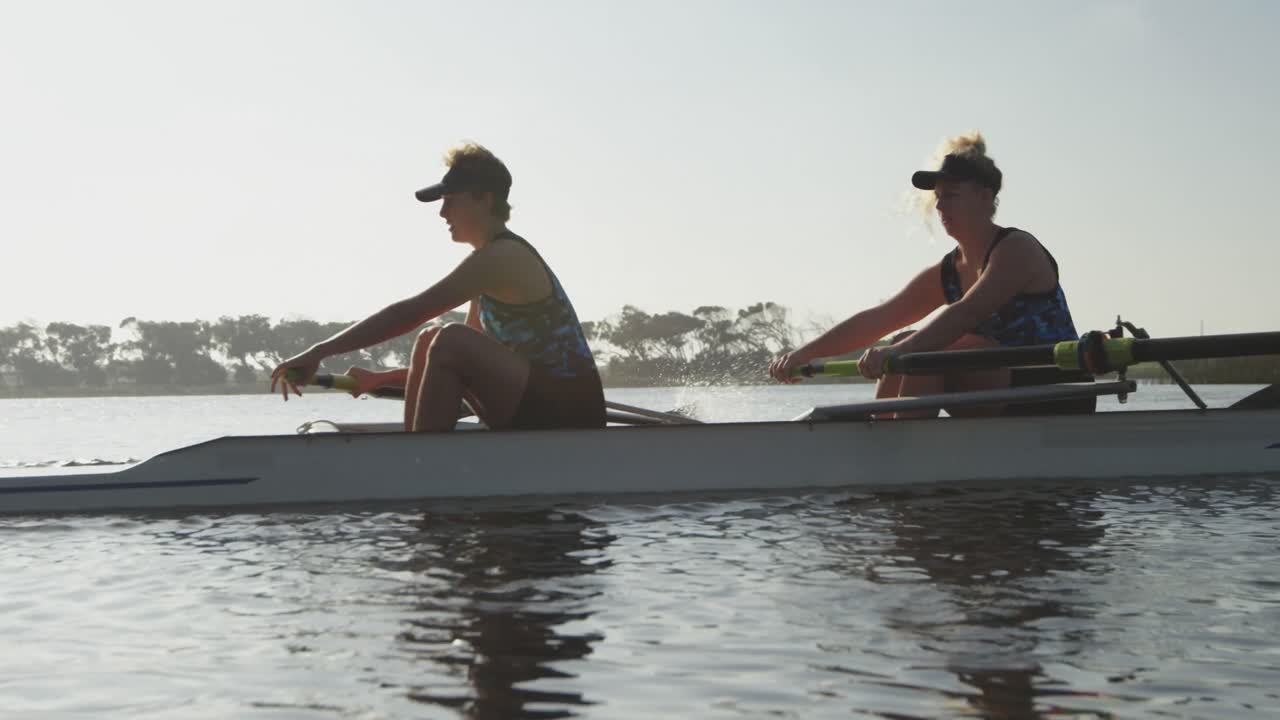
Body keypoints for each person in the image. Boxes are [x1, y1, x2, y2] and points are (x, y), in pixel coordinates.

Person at [270, 143, 605, 432]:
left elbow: (410, 312)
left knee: (448, 338)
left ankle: (421, 461)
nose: (442, 212)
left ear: (485, 200)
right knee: (434, 338)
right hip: (536, 404)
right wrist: (380, 379)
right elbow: (456, 369)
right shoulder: (487, 268)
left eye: (450, 201)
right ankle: (416, 449)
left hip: (571, 412)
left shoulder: (503, 256)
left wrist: (318, 351)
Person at [768, 132, 1089, 417]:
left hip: (1055, 390)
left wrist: (901, 353)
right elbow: (879, 318)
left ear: (985, 196)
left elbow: (966, 313)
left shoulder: (1017, 249)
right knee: (905, 339)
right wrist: (804, 353)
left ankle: (896, 458)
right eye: (938, 197)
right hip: (998, 389)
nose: (939, 207)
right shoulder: (948, 271)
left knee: (920, 351)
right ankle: (885, 440)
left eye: (950, 195)